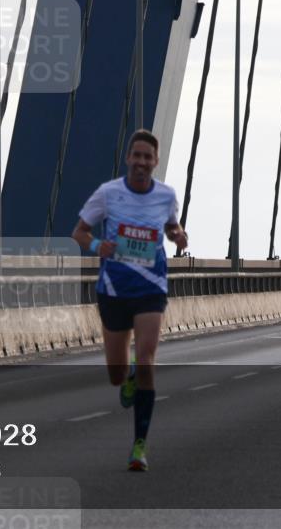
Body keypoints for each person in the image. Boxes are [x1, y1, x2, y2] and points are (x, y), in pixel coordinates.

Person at [72, 129, 188, 471]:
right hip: (113, 289)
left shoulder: (166, 196)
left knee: (148, 358)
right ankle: (129, 377)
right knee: (116, 373)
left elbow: (170, 227)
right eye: (135, 156)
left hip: (151, 288)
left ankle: (139, 446)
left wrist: (178, 235)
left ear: (155, 162)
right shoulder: (108, 194)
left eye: (147, 157)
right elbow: (79, 232)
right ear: (128, 159)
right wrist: (97, 247)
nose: (140, 162)